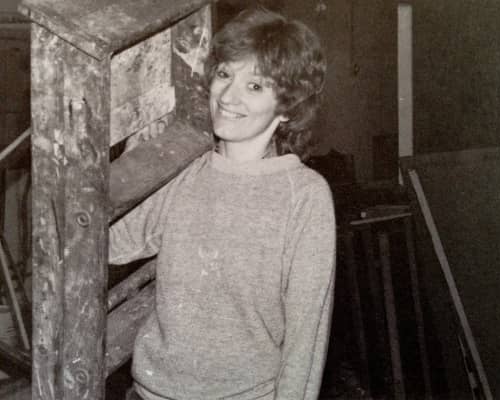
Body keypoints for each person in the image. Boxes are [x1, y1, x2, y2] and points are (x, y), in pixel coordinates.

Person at [110, 7, 335, 400]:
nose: (228, 96)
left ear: (287, 107)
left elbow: (306, 340)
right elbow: (110, 245)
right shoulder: (184, 171)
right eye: (225, 74)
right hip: (151, 394)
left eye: (255, 86)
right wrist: (137, 151)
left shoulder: (304, 195)